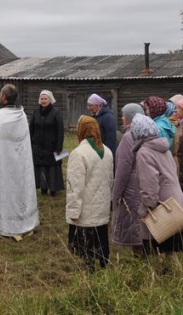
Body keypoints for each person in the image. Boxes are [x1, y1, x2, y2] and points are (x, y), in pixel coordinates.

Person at [131, 114, 183, 260]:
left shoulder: (144, 152)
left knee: (162, 251)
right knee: (171, 251)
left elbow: (149, 185)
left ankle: (169, 279)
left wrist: (147, 208)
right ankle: (175, 278)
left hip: (162, 208)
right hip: (174, 203)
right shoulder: (163, 147)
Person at [0, 84, 39, 238]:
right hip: (20, 164)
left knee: (4, 192)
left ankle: (3, 225)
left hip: (3, 165)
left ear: (3, 96)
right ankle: (24, 222)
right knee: (19, 191)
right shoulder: (22, 114)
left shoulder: (1, 117)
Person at [66, 116, 114, 271]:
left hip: (85, 210)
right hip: (102, 206)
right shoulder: (107, 151)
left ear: (81, 130)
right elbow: (110, 180)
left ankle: (88, 268)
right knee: (100, 236)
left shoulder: (78, 153)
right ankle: (103, 264)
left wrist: (73, 211)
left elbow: (75, 187)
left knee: (86, 242)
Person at [112, 103, 145, 256]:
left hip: (131, 189)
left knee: (133, 224)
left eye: (123, 115)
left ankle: (140, 260)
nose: (122, 118)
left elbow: (122, 169)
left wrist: (116, 194)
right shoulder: (145, 133)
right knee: (142, 222)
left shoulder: (128, 137)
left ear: (130, 117)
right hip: (143, 184)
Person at [29, 89, 65, 197]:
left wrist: (59, 147)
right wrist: (30, 144)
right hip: (38, 146)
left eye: (45, 99)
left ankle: (53, 190)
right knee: (40, 167)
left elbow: (60, 131)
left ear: (50, 100)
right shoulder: (36, 112)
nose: (43, 101)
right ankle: (43, 189)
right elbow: (31, 129)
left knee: (52, 168)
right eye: (42, 99)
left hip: (52, 146)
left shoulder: (56, 113)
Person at [87, 93, 118, 159]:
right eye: (88, 106)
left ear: (97, 105)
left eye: (90, 105)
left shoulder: (108, 117)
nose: (89, 108)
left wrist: (107, 155)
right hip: (98, 151)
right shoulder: (96, 116)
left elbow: (111, 138)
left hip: (105, 154)